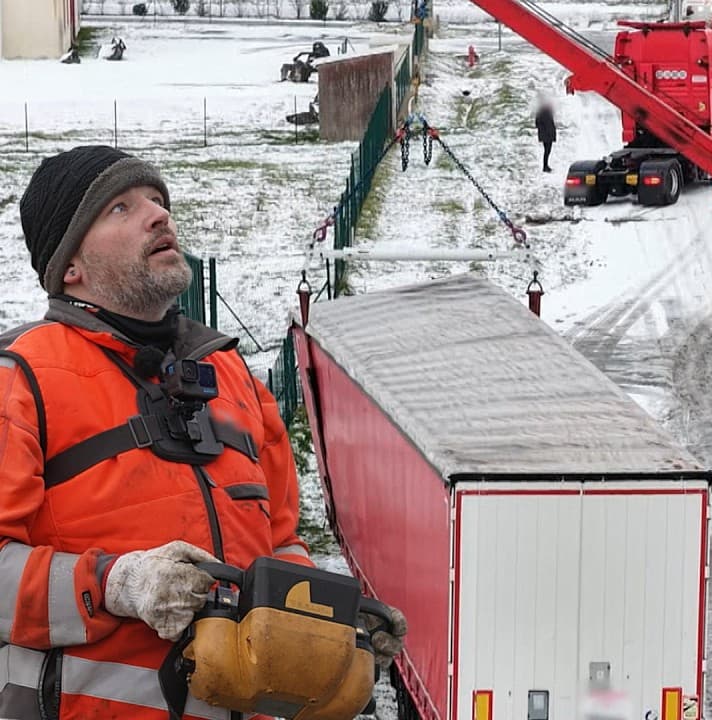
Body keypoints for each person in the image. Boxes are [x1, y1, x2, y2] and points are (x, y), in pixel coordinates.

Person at [0, 146, 407, 719]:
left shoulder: (232, 377)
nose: (158, 215)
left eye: (157, 201)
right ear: (71, 266)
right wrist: (119, 584)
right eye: (120, 208)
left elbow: (282, 544)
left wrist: (332, 627)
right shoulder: (23, 379)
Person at [535, 99, 557, 173]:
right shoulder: (546, 113)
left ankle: (546, 166)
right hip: (547, 135)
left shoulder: (540, 113)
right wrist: (551, 134)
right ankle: (545, 166)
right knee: (547, 151)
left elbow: (537, 124)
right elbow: (549, 125)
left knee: (547, 151)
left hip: (545, 135)